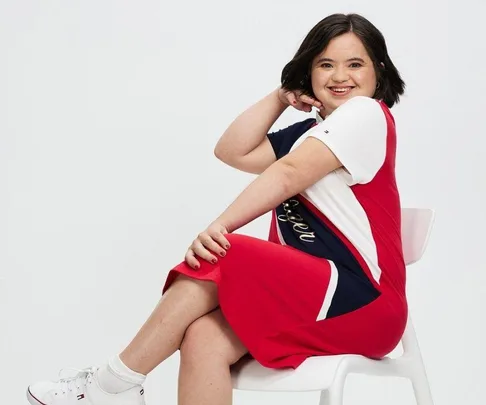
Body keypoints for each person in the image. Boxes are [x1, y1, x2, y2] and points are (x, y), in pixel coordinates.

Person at [27, 12, 406, 405]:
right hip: (313, 298)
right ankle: (115, 385)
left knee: (227, 251)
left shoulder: (366, 115)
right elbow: (232, 150)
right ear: (308, 73)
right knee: (203, 337)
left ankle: (112, 382)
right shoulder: (307, 135)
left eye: (354, 64)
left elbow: (289, 173)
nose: (339, 76)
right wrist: (280, 97)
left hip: (364, 303)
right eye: (325, 64)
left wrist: (219, 226)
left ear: (378, 70)